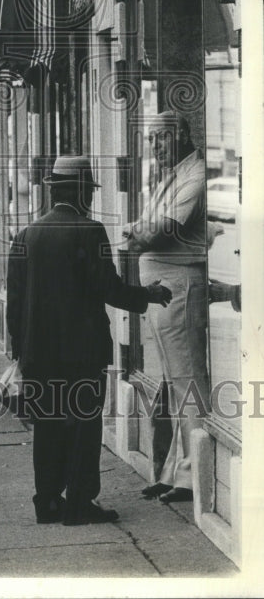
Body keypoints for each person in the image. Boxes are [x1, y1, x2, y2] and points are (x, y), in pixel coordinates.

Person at [7, 155, 172, 526]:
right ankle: (80, 503)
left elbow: (14, 303)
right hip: (82, 353)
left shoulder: (26, 235)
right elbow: (109, 289)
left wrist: (20, 353)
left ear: (54, 191)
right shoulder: (91, 231)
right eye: (90, 191)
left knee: (47, 425)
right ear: (82, 192)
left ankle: (47, 502)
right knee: (83, 426)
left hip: (39, 355)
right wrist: (149, 293)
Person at [124, 110, 209, 504]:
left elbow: (160, 229)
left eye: (161, 138)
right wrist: (139, 232)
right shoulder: (170, 176)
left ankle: (195, 475)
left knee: (187, 379)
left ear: (182, 135)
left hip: (178, 289)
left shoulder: (196, 176)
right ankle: (176, 469)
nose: (155, 147)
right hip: (160, 292)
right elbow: (146, 227)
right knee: (173, 385)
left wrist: (136, 233)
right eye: (151, 140)